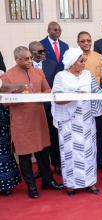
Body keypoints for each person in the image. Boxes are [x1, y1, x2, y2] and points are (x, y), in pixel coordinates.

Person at [1, 46, 63, 198]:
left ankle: (48, 181)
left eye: (30, 58)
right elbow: (4, 102)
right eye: (26, 59)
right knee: (25, 156)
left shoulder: (38, 72)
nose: (30, 61)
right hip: (21, 122)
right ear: (17, 60)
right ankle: (31, 187)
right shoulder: (7, 77)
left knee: (43, 153)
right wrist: (18, 92)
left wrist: (44, 95)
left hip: (39, 118)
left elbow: (48, 90)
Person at [51, 47, 102, 196]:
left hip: (86, 120)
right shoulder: (61, 76)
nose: (84, 63)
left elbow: (96, 91)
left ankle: (90, 182)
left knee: (89, 152)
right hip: (69, 122)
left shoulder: (87, 75)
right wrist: (75, 95)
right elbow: (57, 98)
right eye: (81, 61)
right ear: (72, 62)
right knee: (70, 153)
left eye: (84, 60)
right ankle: (70, 185)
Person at [77, 31, 102, 173]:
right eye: (83, 41)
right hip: (80, 103)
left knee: (100, 132)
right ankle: (86, 161)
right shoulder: (74, 57)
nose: (86, 43)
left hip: (98, 100)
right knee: (84, 132)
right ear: (78, 42)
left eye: (88, 40)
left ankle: (100, 160)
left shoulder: (98, 57)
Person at [29, 41, 61, 177]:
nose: (43, 54)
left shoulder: (52, 65)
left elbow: (57, 86)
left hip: (51, 110)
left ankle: (58, 165)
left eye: (44, 51)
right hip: (35, 110)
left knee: (54, 138)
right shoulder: (26, 67)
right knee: (40, 141)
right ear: (31, 53)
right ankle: (43, 168)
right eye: (39, 52)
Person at [0, 55, 23, 197]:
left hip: (1, 115)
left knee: (2, 149)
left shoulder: (2, 74)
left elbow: (6, 88)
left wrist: (21, 87)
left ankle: (5, 184)